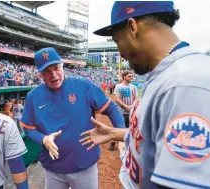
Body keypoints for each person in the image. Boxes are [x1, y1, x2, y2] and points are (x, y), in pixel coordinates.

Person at [80, 1, 210, 189]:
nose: (120, 52)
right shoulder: (167, 72)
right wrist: (113, 133)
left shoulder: (185, 82)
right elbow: (159, 136)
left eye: (117, 41)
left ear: (132, 27)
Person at [20, 47, 125, 189]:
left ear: (62, 66)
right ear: (40, 74)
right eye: (46, 71)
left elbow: (111, 108)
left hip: (85, 166)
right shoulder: (33, 96)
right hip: (53, 168)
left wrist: (121, 135)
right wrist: (43, 139)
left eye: (56, 68)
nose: (53, 75)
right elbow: (28, 128)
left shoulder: (83, 85)